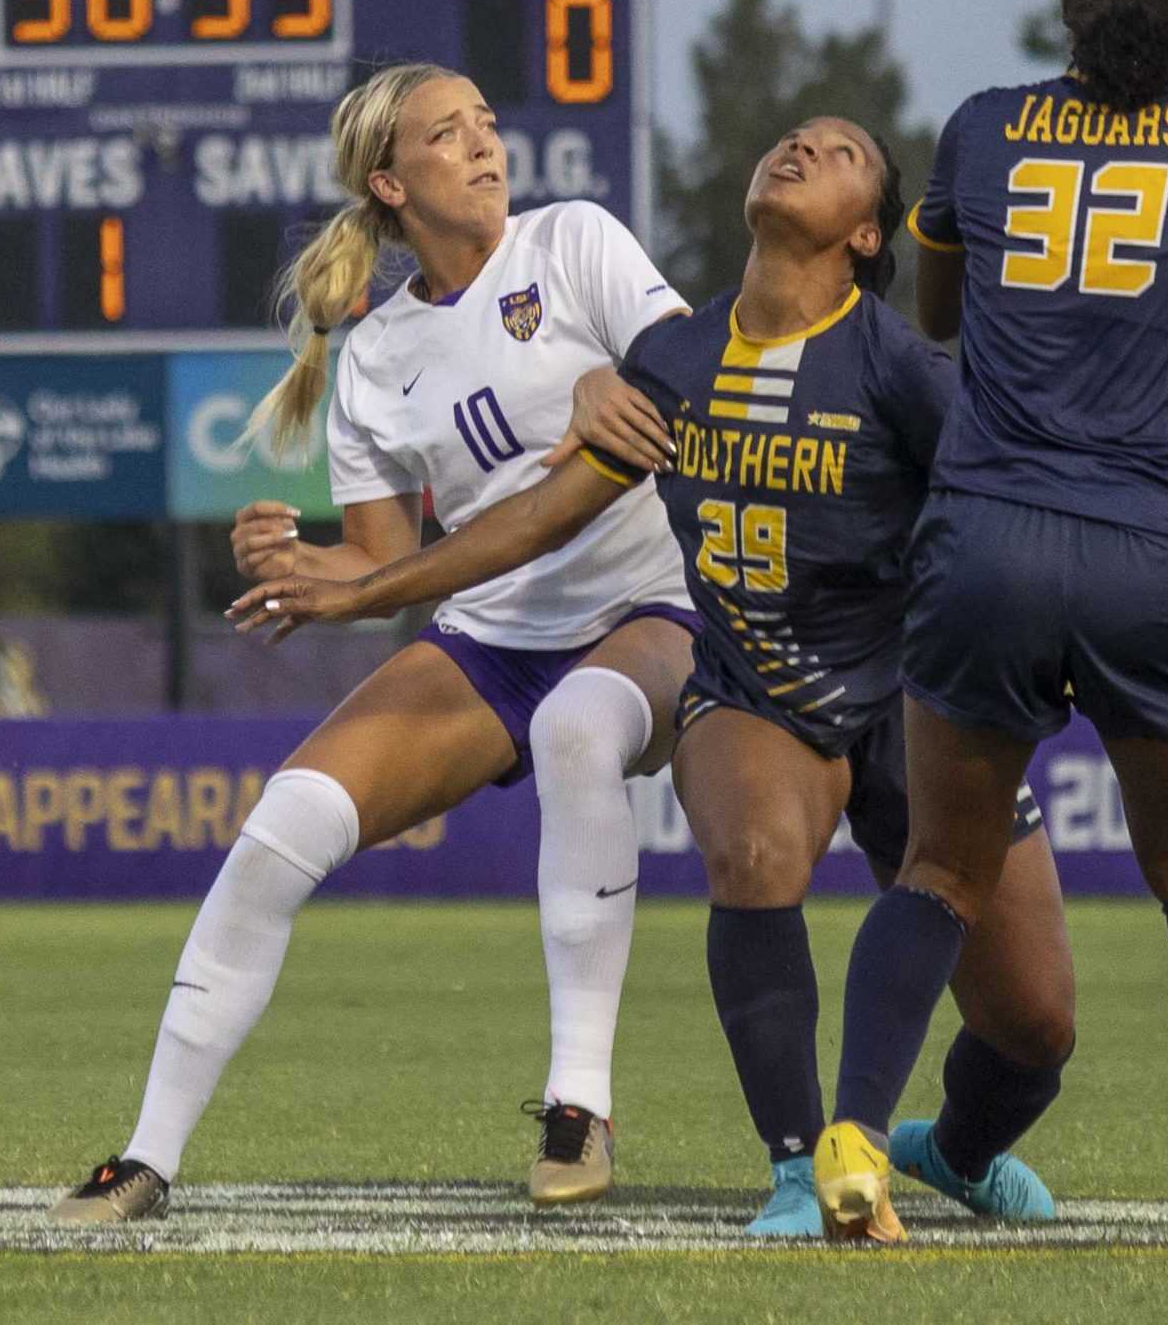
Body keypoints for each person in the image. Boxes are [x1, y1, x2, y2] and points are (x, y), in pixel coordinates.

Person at [232, 119, 1076, 1236]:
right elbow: (533, 517)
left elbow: (1002, 520)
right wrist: (369, 587)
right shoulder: (678, 360)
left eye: (834, 153)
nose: (794, 147)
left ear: (868, 230)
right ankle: (797, 1164)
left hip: (914, 697)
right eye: (789, 137)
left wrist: (1033, 650)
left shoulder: (901, 369)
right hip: (756, 683)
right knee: (753, 852)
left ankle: (953, 1150)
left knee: (1037, 1026)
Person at [53, 63, 699, 1223]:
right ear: (392, 183)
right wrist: (308, 562)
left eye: (487, 121)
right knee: (277, 829)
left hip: (652, 608)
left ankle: (578, 1100)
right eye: (450, 134)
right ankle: (145, 1154)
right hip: (492, 637)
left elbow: (687, 378)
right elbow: (384, 560)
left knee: (574, 727)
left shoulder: (575, 242)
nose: (486, 145)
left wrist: (623, 373)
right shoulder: (377, 353)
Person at [812, 0, 1168, 1244]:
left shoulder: (981, 127)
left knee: (939, 871)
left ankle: (853, 1135)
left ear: (1068, 0)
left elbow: (938, 314)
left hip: (987, 542)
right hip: (1153, 547)